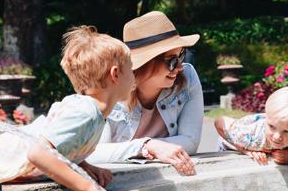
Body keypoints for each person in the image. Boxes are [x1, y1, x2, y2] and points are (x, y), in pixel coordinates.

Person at [0, 26, 135, 191]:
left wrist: (83, 165)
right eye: (131, 68)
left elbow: (62, 147)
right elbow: (39, 154)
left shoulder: (91, 111)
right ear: (115, 74)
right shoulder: (86, 113)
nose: (134, 75)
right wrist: (87, 189)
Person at [86, 11, 204, 176]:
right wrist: (148, 147)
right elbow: (92, 153)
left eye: (181, 56)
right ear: (144, 63)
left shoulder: (188, 78)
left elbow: (191, 141)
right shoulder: (109, 91)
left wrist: (147, 147)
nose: (179, 67)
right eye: (171, 60)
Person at [214, 86, 288, 165]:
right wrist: (246, 150)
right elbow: (219, 122)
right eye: (271, 127)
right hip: (230, 142)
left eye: (287, 131)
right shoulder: (253, 136)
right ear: (267, 120)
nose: (277, 136)